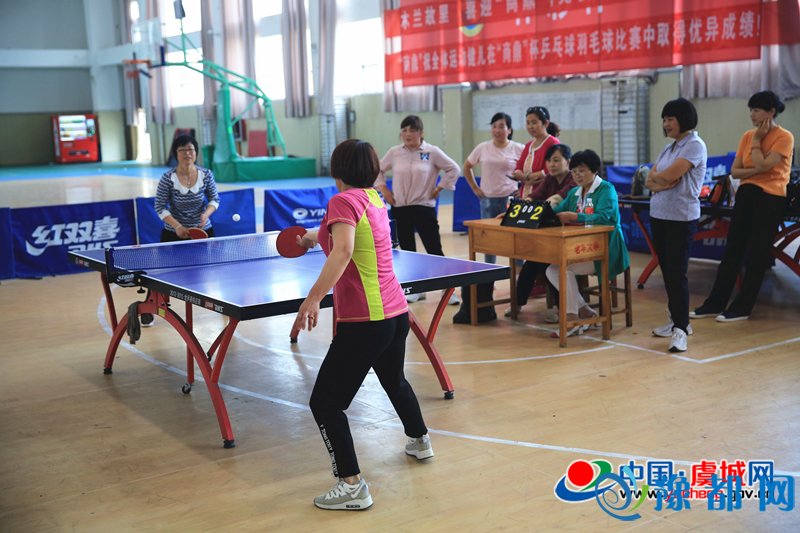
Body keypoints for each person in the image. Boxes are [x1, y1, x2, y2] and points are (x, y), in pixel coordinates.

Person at [292, 139, 433, 511]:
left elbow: (344, 249)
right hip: (395, 313)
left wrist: (312, 298)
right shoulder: (374, 199)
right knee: (394, 379)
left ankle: (352, 486)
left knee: (325, 403)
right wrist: (311, 237)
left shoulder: (342, 200)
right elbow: (346, 237)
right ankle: (420, 440)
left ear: (337, 169)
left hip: (366, 320)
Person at [691, 91, 795, 322]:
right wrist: (757, 168)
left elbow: (763, 165)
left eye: (756, 110)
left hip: (771, 198)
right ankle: (714, 303)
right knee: (732, 250)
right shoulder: (747, 136)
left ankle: (742, 307)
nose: (752, 114)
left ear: (771, 112)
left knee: (757, 254)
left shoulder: (784, 137)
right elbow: (736, 171)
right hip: (746, 194)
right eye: (750, 110)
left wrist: (758, 143)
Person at [376, 115, 461, 304]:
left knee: (434, 250)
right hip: (400, 208)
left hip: (424, 208)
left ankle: (448, 291)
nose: (408, 134)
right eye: (404, 130)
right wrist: (384, 190)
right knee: (408, 252)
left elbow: (454, 169)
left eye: (412, 130)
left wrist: (439, 188)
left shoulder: (432, 152)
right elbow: (377, 170)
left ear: (421, 133)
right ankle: (417, 290)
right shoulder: (394, 152)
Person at [546, 149, 630, 337]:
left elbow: (603, 217)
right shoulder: (574, 192)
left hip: (607, 250)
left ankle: (572, 319)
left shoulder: (606, 189)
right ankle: (584, 310)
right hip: (582, 249)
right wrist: (530, 214)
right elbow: (556, 212)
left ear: (594, 170)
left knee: (563, 269)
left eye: (582, 171)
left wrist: (575, 216)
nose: (577, 175)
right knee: (552, 270)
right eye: (574, 171)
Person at [645, 98, 707, 353]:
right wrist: (661, 182)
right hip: (659, 215)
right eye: (664, 119)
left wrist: (661, 179)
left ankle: (681, 329)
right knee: (668, 272)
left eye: (670, 119)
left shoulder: (694, 145)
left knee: (677, 273)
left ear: (684, 119)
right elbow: (649, 180)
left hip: (680, 218)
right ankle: (676, 320)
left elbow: (670, 175)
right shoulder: (668, 149)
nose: (666, 124)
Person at [505, 144, 578, 318]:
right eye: (549, 161)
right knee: (532, 262)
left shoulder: (573, 179)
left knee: (547, 264)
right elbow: (535, 196)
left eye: (556, 160)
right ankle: (518, 303)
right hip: (550, 235)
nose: (551, 165)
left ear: (568, 162)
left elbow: (556, 200)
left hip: (569, 237)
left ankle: (563, 309)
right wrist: (516, 209)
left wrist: (540, 205)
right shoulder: (549, 179)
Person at [463, 112, 525, 263]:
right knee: (489, 239)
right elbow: (467, 167)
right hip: (488, 199)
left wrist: (522, 189)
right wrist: (475, 188)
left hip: (511, 200)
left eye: (501, 126)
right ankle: (490, 272)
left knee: (515, 238)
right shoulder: (483, 147)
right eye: (494, 126)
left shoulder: (518, 148)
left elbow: (528, 170)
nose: (497, 130)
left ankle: (518, 271)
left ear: (509, 130)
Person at [154, 134, 220, 241]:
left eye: (190, 149)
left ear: (196, 152)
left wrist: (206, 215)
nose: (187, 153)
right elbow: (159, 207)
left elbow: (215, 199)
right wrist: (177, 226)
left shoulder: (206, 174)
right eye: (182, 150)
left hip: (203, 230)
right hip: (174, 232)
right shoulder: (167, 178)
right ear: (176, 154)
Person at [511, 106, 561, 199]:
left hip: (544, 196)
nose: (530, 126)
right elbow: (518, 168)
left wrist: (525, 177)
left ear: (545, 123)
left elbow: (551, 170)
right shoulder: (528, 145)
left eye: (534, 122)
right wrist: (527, 177)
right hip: (525, 196)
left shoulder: (552, 143)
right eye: (528, 123)